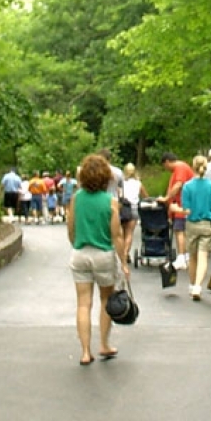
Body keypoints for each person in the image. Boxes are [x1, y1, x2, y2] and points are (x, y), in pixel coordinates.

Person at [66, 153, 127, 366]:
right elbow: (117, 235)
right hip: (103, 255)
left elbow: (71, 229)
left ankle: (84, 351)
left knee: (83, 303)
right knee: (105, 300)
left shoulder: (76, 199)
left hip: (80, 253)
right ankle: (104, 344)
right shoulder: (110, 202)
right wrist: (124, 262)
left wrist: (76, 244)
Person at [179, 155, 211, 301]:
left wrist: (175, 208)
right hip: (207, 224)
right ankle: (198, 286)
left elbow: (186, 210)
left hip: (192, 224)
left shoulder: (187, 186)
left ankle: (192, 285)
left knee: (192, 257)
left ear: (193, 167)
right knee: (203, 256)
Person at [158, 151, 194, 270]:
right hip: (180, 204)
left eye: (164, 166)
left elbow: (178, 185)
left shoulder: (180, 168)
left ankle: (181, 257)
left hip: (182, 204)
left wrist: (167, 198)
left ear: (167, 162)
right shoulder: (179, 169)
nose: (166, 168)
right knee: (182, 230)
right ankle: (185, 256)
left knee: (180, 230)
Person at [120, 163, 148, 263]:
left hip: (123, 209)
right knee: (129, 233)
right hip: (134, 209)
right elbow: (146, 196)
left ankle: (122, 253)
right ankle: (125, 253)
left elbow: (119, 194)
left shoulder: (122, 182)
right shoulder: (138, 183)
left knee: (122, 233)